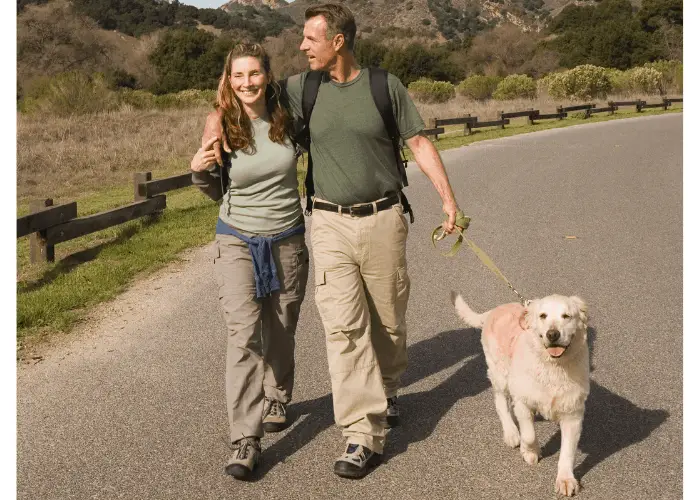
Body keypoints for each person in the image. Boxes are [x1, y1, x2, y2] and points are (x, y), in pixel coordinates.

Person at [204, 4, 462, 480]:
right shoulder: (304, 88)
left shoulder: (386, 87)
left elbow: (420, 143)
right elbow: (244, 94)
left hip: (384, 217)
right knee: (343, 329)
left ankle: (385, 387)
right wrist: (213, 124)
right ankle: (362, 434)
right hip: (326, 221)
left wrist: (449, 202)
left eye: (310, 39)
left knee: (388, 322)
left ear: (337, 41)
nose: (301, 47)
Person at [189, 43, 309, 481]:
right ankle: (246, 436)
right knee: (244, 336)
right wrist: (198, 169)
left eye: (254, 74)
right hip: (237, 240)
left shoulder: (288, 116)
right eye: (238, 76)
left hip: (287, 237)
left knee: (282, 325)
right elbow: (212, 188)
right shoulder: (222, 122)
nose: (247, 83)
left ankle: (278, 394)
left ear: (267, 74)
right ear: (228, 79)